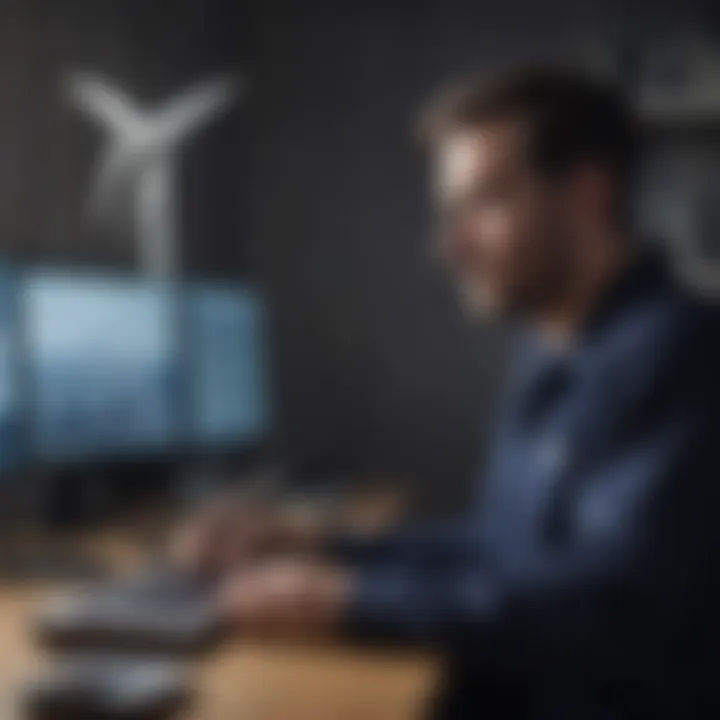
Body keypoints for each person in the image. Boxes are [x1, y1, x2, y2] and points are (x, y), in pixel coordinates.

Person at [177, 66, 720, 718]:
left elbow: (614, 604)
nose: (449, 246)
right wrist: (319, 548)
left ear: (587, 195)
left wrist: (350, 598)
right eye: (450, 210)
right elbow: (504, 548)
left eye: (484, 203)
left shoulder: (682, 355)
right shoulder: (557, 347)